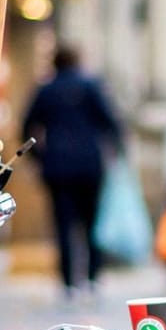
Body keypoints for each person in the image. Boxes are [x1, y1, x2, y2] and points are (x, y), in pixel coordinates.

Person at [23, 46, 124, 298]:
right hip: (90, 165)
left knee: (63, 224)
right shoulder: (91, 87)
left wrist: (39, 157)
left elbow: (27, 126)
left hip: (58, 167)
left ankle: (68, 282)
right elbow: (111, 123)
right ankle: (92, 277)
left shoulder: (46, 90)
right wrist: (115, 154)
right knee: (92, 223)